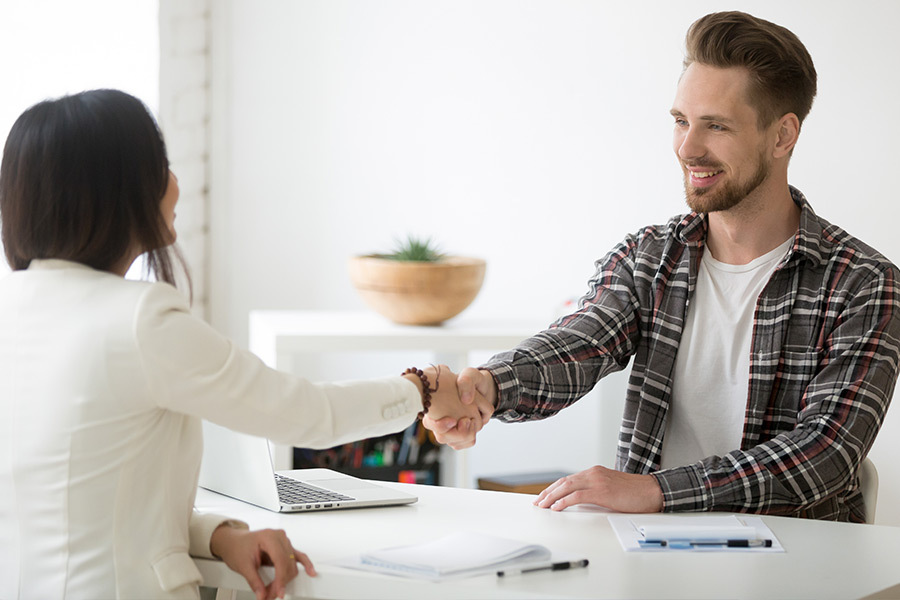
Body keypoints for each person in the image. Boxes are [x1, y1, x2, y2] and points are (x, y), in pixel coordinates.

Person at [0, 89, 481, 600]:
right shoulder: (139, 319)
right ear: (118, 188)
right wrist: (423, 390)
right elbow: (305, 413)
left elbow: (80, 506)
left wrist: (218, 536)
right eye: (161, 165)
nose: (175, 184)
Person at [425, 11, 900, 523]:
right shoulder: (651, 256)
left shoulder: (864, 284)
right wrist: (490, 388)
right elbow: (581, 342)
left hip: (796, 562)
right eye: (681, 121)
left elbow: (822, 456)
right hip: (651, 556)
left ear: (783, 136)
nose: (687, 148)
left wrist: (654, 491)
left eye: (716, 126)